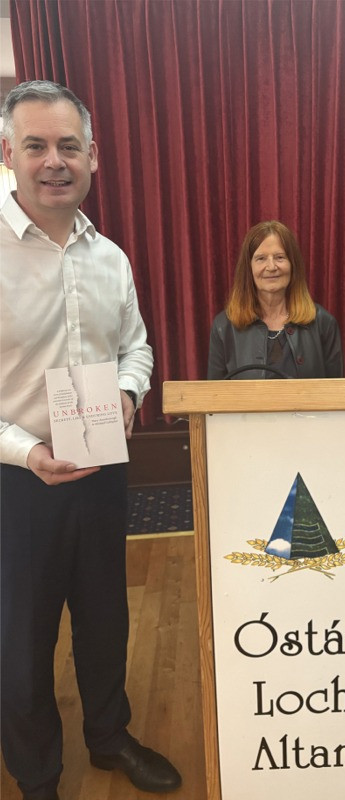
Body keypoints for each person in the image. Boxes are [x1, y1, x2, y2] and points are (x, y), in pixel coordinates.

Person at [0, 81, 181, 800]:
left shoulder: (110, 257)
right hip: (16, 484)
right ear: (8, 152)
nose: (54, 161)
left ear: (93, 157)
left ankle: (109, 739)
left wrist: (132, 393)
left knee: (106, 620)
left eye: (68, 146)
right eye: (37, 145)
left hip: (103, 470)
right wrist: (26, 451)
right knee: (20, 646)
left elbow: (136, 346)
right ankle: (37, 776)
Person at [207, 220, 343, 379]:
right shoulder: (224, 327)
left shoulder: (323, 323)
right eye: (261, 258)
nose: (271, 267)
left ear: (293, 265)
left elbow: (335, 395)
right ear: (248, 269)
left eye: (279, 257)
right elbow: (214, 397)